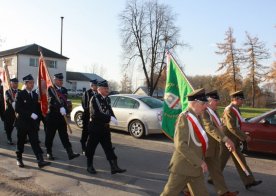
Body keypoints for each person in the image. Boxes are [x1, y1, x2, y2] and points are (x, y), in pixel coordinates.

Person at [161, 88, 209, 196]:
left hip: (196, 169)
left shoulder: (198, 117)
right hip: (183, 168)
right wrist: (200, 162)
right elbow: (180, 145)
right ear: (195, 103)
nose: (205, 106)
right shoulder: (184, 118)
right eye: (203, 103)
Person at [220, 90, 262, 190]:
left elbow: (238, 125)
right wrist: (244, 137)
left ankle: (249, 181)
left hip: (234, 138)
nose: (243, 101)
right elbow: (232, 127)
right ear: (236, 99)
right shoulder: (229, 109)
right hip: (228, 139)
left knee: (241, 160)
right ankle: (212, 177)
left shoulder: (236, 109)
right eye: (241, 99)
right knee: (221, 161)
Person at [201, 90, 238, 196]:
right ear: (209, 101)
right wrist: (225, 139)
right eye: (216, 100)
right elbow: (209, 128)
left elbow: (219, 127)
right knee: (195, 170)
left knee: (216, 170)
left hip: (214, 147)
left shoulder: (214, 112)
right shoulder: (204, 112)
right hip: (204, 147)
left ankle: (223, 192)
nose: (218, 102)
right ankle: (185, 188)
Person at [86, 80, 126, 175]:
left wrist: (114, 117)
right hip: (95, 128)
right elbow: (96, 114)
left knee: (108, 148)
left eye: (107, 88)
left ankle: (114, 167)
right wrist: (109, 117)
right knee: (91, 148)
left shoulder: (107, 99)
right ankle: (89, 166)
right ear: (99, 89)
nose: (107, 90)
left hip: (105, 128)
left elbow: (109, 109)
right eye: (105, 88)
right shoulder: (94, 99)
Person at [14, 74, 50, 168]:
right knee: (21, 142)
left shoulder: (34, 95)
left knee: (35, 141)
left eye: (33, 83)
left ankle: (40, 160)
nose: (32, 84)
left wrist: (43, 112)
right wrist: (30, 114)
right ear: (25, 84)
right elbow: (18, 108)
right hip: (22, 123)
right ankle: (19, 159)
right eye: (30, 83)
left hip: (32, 124)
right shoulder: (20, 94)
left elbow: (37, 108)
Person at [45, 73, 80, 160]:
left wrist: (66, 109)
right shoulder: (50, 89)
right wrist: (59, 107)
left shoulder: (64, 90)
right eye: (59, 80)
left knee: (64, 136)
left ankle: (70, 153)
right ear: (55, 80)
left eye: (61, 80)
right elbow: (51, 101)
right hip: (52, 116)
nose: (61, 82)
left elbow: (65, 102)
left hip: (62, 117)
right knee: (50, 136)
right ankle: (49, 152)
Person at [80, 79, 98, 154]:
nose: (96, 87)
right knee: (85, 133)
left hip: (95, 118)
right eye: (95, 85)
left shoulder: (97, 93)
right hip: (87, 116)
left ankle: (107, 147)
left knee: (95, 133)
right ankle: (83, 147)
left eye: (97, 85)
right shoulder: (87, 93)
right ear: (91, 86)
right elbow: (85, 106)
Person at [4, 78, 20, 145]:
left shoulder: (20, 91)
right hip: (10, 112)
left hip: (18, 112)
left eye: (17, 83)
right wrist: (13, 103)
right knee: (9, 127)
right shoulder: (8, 91)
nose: (16, 84)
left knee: (20, 126)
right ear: (11, 84)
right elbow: (8, 99)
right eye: (14, 83)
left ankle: (23, 138)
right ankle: (9, 138)